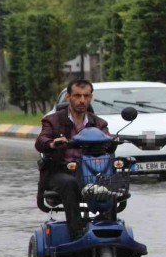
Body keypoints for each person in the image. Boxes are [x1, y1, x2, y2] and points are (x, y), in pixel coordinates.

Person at [35, 78, 113, 240]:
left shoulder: (98, 123)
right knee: (69, 183)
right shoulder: (52, 120)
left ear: (91, 98)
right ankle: (76, 234)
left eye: (86, 96)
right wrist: (52, 143)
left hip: (90, 172)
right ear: (68, 97)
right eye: (77, 96)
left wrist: (112, 142)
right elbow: (41, 141)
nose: (82, 100)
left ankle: (109, 229)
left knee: (110, 182)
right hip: (60, 172)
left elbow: (108, 141)